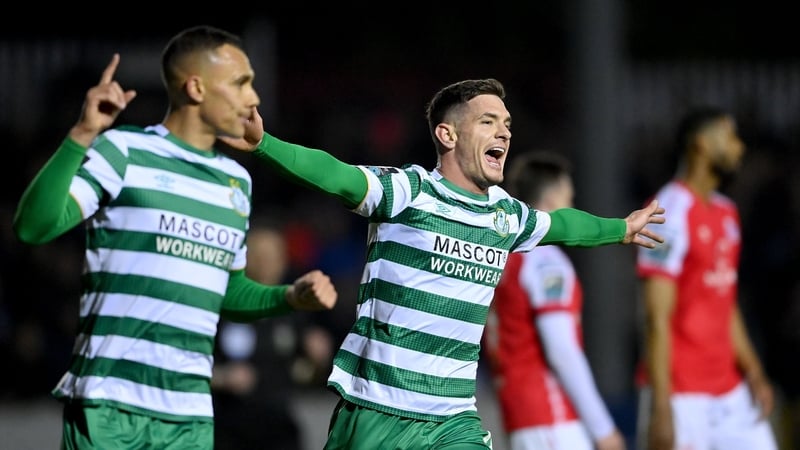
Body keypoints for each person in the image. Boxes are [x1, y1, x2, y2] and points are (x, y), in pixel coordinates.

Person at [221, 77, 666, 449]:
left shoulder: (505, 215)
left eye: (507, 124)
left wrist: (621, 229)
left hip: (453, 417)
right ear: (447, 135)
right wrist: (264, 144)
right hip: (379, 410)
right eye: (488, 122)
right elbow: (336, 175)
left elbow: (563, 224)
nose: (505, 133)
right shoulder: (408, 193)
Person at [12, 25, 338, 450]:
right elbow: (34, 227)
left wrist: (288, 298)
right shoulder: (124, 150)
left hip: (190, 415)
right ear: (197, 87)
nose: (253, 97)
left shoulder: (235, 181)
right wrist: (80, 137)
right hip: (112, 403)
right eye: (241, 83)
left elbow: (228, 291)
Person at [635, 106, 778, 450]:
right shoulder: (668, 211)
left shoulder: (727, 212)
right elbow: (656, 316)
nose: (739, 147)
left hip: (730, 390)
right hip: (683, 396)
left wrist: (753, 369)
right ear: (700, 144)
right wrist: (662, 404)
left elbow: (724, 299)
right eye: (729, 136)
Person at [483, 151, 626, 450]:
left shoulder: (503, 257)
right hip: (552, 419)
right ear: (551, 205)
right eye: (569, 201)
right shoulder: (545, 260)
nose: (573, 209)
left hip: (519, 417)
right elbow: (562, 349)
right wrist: (603, 429)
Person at [212, 217, 335, 450]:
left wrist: (317, 359)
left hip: (278, 431)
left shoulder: (293, 311)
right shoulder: (223, 307)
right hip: (228, 431)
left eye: (275, 256)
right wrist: (223, 377)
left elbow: (305, 375)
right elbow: (191, 365)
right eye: (261, 256)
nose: (269, 264)